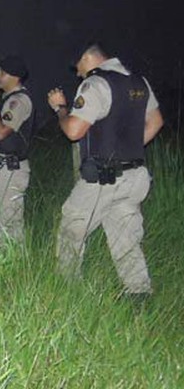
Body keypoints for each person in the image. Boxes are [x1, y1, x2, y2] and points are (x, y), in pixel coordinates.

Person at [47, 42, 164, 298]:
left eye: (77, 67)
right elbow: (156, 122)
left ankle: (67, 293)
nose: (77, 73)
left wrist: (60, 109)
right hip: (135, 176)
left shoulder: (96, 84)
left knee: (71, 229)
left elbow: (73, 131)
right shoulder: (139, 83)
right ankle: (139, 295)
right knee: (126, 239)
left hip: (103, 179)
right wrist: (128, 149)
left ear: (88, 59)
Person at [0, 56, 34, 245]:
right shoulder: (9, 100)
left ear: (14, 76)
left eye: (1, 72)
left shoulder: (19, 102)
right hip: (1, 168)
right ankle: (1, 269)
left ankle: (17, 269)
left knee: (9, 224)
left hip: (11, 170)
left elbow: (1, 133)